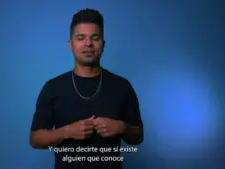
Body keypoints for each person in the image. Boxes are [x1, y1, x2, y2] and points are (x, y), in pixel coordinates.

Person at [30, 8, 144, 169]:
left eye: (95, 38)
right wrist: (67, 131)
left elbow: (138, 137)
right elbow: (35, 140)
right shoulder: (52, 87)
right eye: (80, 38)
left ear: (103, 44)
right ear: (71, 44)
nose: (88, 43)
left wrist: (121, 127)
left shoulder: (122, 86)